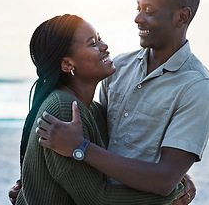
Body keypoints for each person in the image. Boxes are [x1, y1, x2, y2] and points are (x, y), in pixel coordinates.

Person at [33, 0, 209, 203]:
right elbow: (98, 132)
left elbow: (164, 180)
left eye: (149, 11)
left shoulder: (198, 87)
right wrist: (33, 183)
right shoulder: (118, 67)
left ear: (181, 17)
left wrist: (80, 147)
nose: (138, 18)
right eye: (138, 8)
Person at [13, 13, 193, 205]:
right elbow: (96, 199)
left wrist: (177, 177)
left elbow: (125, 156)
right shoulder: (63, 110)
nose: (104, 46)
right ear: (67, 64)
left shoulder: (96, 111)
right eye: (92, 43)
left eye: (99, 38)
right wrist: (173, 195)